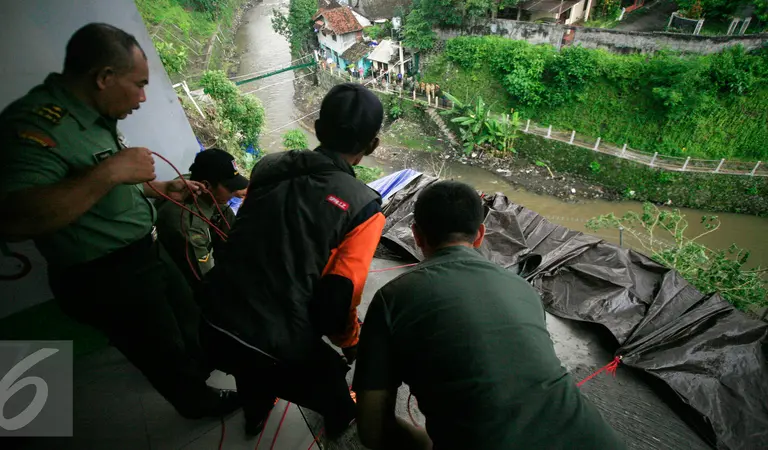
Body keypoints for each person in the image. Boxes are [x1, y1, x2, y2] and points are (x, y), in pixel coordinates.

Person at [0, 23, 240, 420]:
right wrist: (110, 172)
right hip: (107, 274)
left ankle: (202, 367)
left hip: (147, 251)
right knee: (160, 347)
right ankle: (196, 402)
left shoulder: (93, 114)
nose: (142, 98)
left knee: (187, 315)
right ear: (104, 78)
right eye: (138, 85)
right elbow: (12, 220)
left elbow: (111, 188)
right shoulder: (33, 127)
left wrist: (161, 188)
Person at [353, 181, 627, 450]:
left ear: (415, 234)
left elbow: (372, 431)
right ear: (480, 234)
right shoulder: (524, 289)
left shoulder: (392, 298)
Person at [198, 83, 386, 437]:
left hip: (213, 317)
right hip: (271, 344)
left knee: (249, 368)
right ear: (372, 146)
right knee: (330, 380)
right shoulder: (363, 206)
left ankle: (256, 413)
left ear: (316, 129)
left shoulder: (267, 167)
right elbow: (337, 301)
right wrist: (351, 343)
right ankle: (338, 422)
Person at [155, 148, 246, 290]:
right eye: (230, 187)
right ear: (206, 186)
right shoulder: (191, 228)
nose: (234, 192)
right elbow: (206, 281)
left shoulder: (193, 184)